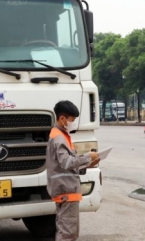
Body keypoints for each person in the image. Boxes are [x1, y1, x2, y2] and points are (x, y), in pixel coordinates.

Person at [46, 100, 99, 241]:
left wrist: (89, 162)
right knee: (68, 233)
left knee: (67, 229)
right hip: (66, 190)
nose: (74, 123)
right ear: (62, 119)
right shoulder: (59, 138)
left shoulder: (61, 135)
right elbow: (67, 162)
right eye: (72, 120)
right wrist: (87, 156)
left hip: (66, 188)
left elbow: (70, 164)